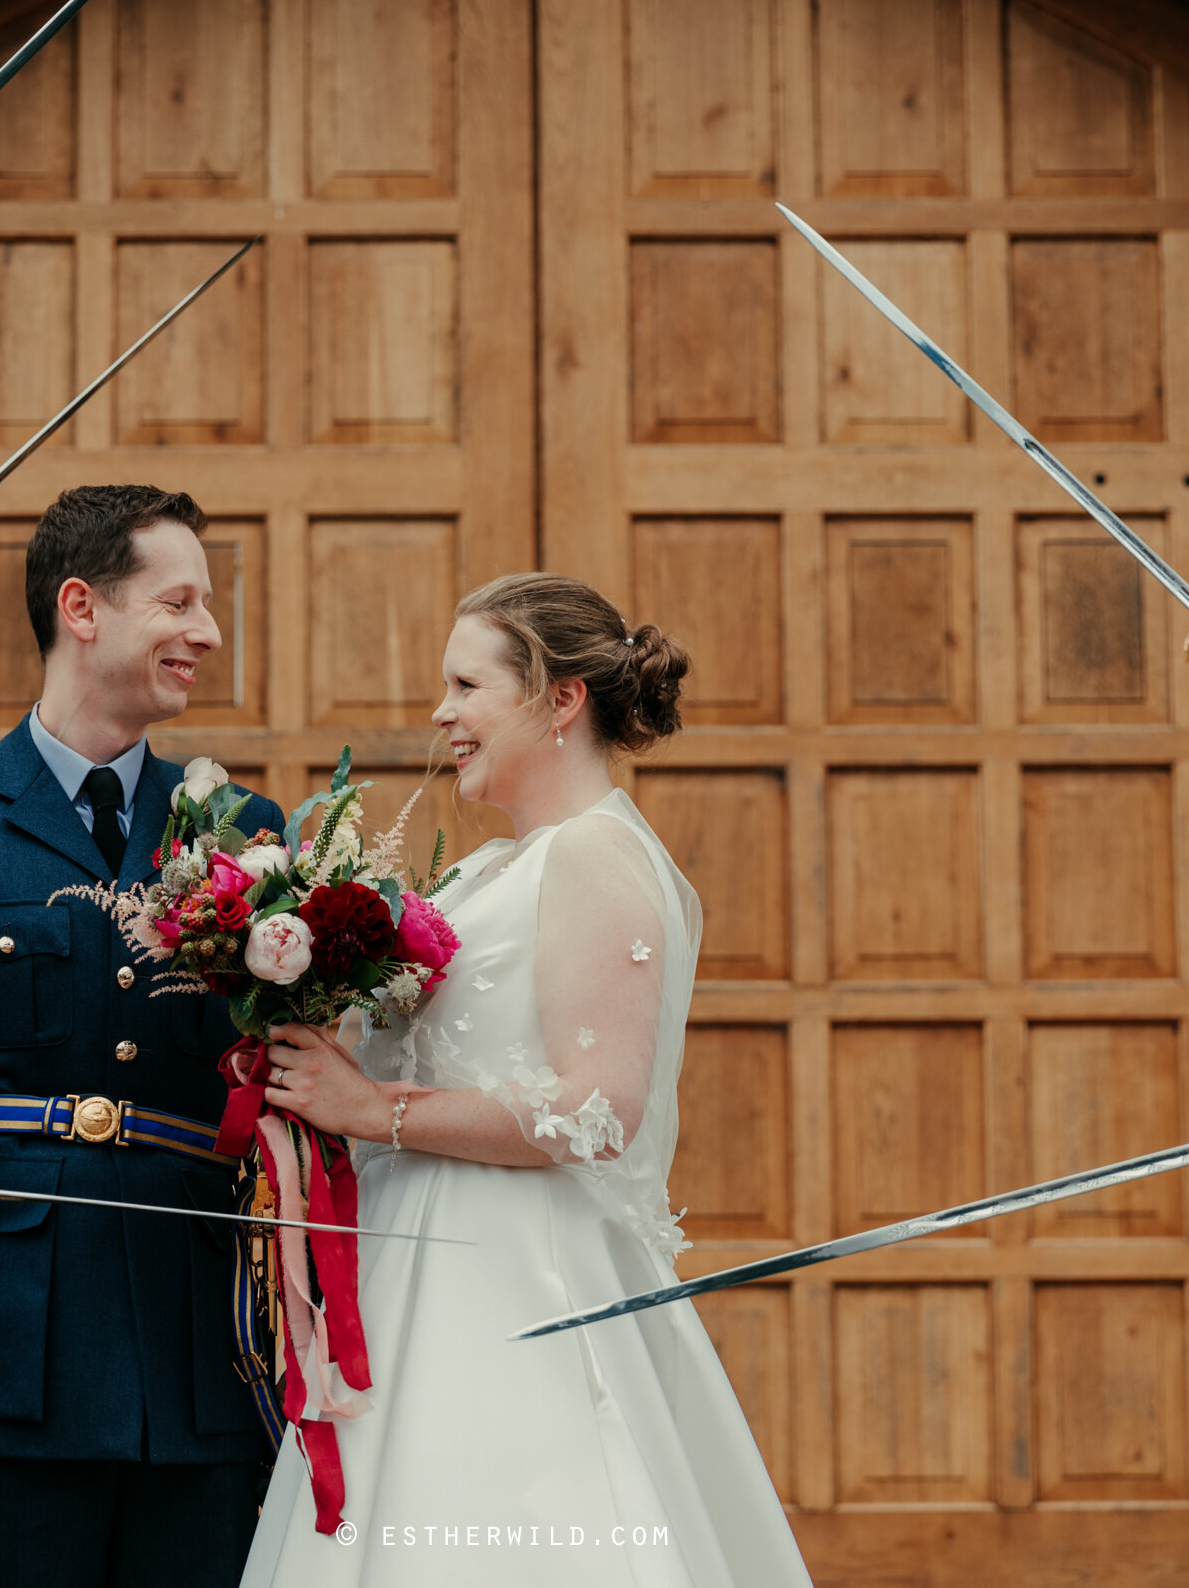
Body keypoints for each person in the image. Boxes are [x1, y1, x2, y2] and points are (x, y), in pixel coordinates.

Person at [247, 573, 809, 1587]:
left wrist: (377, 1109)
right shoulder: (487, 870)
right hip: (411, 1270)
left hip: (520, 1287)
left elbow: (598, 1108)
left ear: (559, 699)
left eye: (467, 685)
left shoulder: (596, 857)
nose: (441, 714)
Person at [0, 485, 285, 1587]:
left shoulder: (246, 833)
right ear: (82, 605)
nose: (207, 633)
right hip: (2, 1349)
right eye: (178, 601)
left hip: (197, 1347)